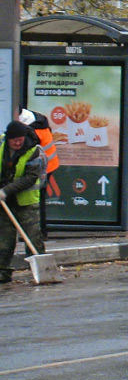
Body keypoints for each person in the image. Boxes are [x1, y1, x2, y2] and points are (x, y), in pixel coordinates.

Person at [0, 120, 47, 284]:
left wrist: (5, 191)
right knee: (4, 240)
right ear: (8, 138)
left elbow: (30, 178)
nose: (18, 142)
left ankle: (41, 271)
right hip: (4, 204)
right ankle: (3, 272)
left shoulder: (34, 150)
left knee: (33, 238)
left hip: (26, 202)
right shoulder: (1, 146)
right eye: (15, 140)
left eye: (20, 139)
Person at [19, 108, 59, 233]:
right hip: (49, 164)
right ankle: (40, 231)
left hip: (42, 167)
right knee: (38, 197)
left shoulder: (30, 131)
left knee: (36, 198)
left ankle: (40, 232)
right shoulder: (36, 118)